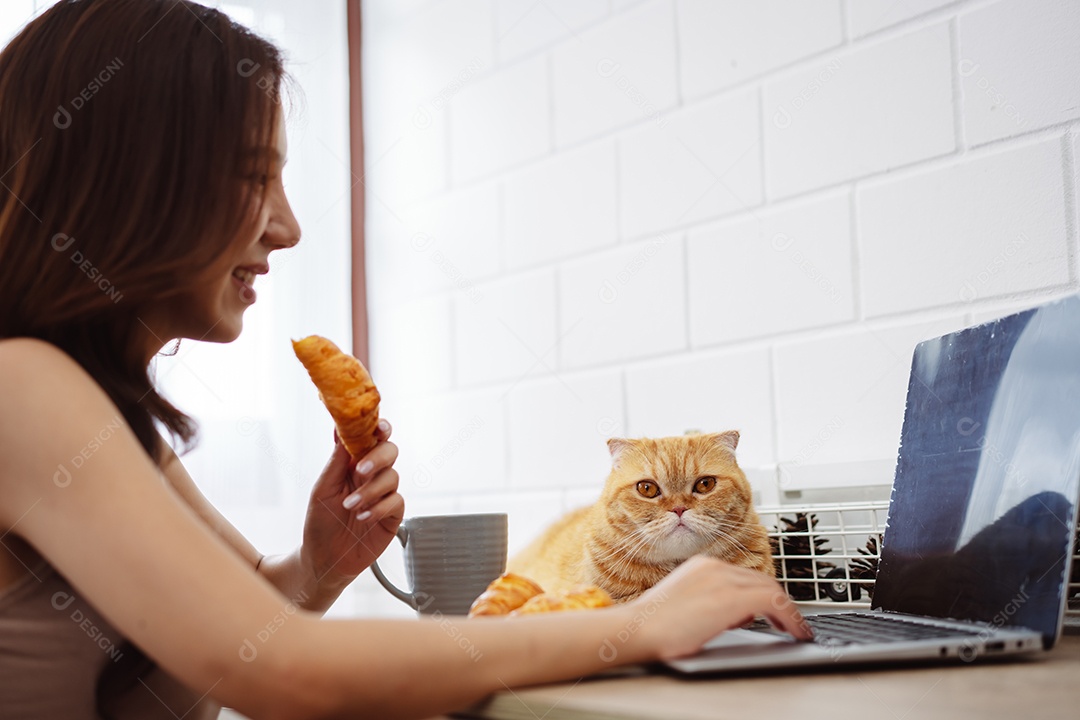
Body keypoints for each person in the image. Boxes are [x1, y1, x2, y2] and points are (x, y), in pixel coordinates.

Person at [0, 1, 811, 718]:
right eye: (255, 178)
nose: (287, 228)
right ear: (133, 180)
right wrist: (638, 626)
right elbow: (283, 675)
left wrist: (317, 571)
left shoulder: (104, 421)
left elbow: (191, 674)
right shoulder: (21, 387)